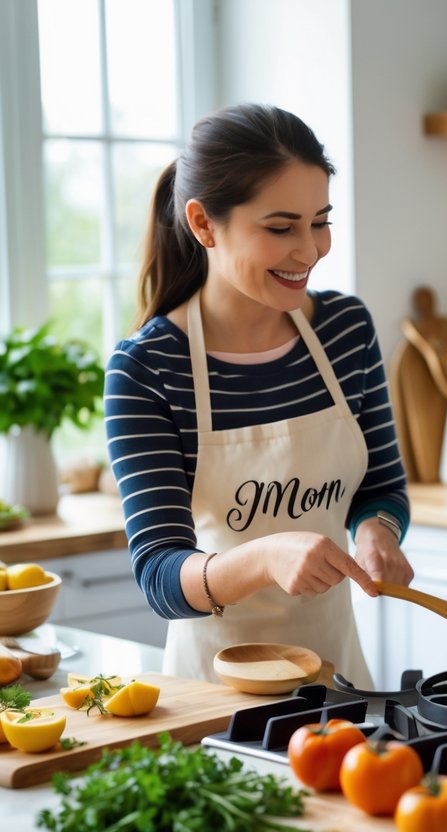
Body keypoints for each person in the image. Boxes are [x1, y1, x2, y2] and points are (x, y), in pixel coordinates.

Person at [104, 104, 412, 686]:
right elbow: (160, 577)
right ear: (203, 224)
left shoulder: (345, 330)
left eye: (320, 221)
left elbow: (381, 488)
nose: (311, 249)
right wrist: (265, 557)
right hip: (216, 700)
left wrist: (377, 530)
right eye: (280, 228)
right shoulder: (148, 368)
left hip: (339, 687)